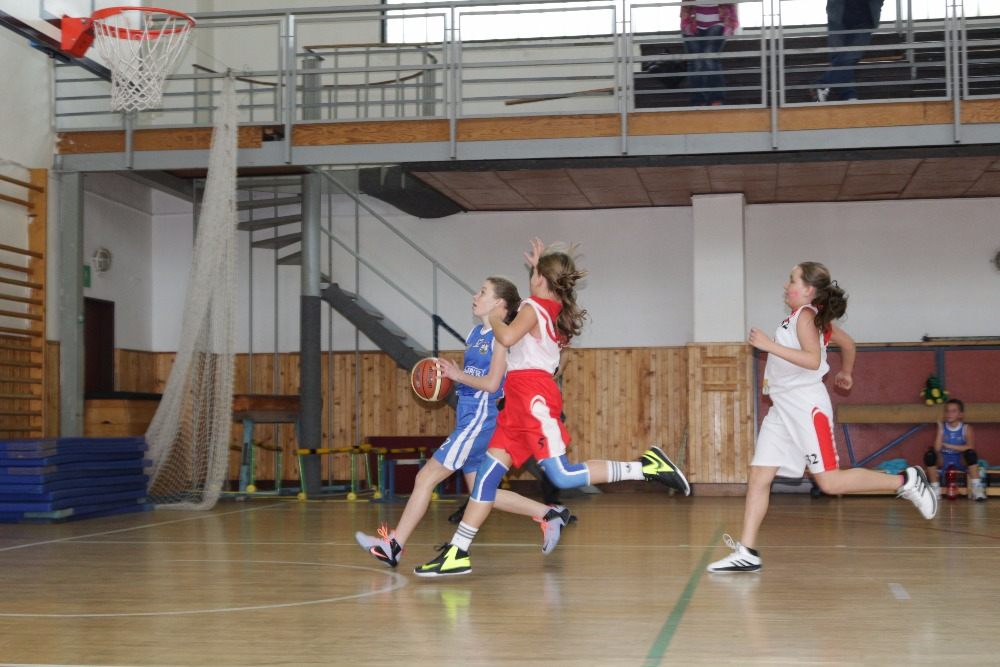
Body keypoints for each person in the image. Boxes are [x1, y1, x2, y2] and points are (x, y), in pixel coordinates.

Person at [414, 238, 690, 577]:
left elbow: (507, 337)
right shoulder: (549, 307)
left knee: (562, 474)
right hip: (515, 404)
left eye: (534, 274)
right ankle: (457, 552)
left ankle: (646, 467)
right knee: (485, 479)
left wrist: (495, 316)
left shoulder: (533, 306)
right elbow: (538, 314)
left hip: (533, 398)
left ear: (541, 280)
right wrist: (538, 268)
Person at [708, 262, 937, 573]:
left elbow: (813, 360)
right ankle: (747, 551)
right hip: (782, 407)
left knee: (829, 482)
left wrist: (768, 345)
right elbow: (848, 345)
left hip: (805, 407)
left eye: (792, 280)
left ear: (808, 290)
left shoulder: (806, 316)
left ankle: (907, 480)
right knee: (759, 476)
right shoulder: (812, 319)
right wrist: (846, 372)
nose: (786, 285)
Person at [355, 276, 572, 568]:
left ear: (499, 303)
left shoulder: (501, 337)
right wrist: (451, 380)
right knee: (482, 491)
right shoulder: (475, 333)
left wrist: (457, 376)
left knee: (425, 478)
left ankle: (393, 546)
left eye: (483, 292)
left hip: (482, 418)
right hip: (469, 416)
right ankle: (550, 514)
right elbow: (475, 377)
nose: (475, 295)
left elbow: (493, 384)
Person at [813, 0, 885, 102]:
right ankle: (848, 95)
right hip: (838, 16)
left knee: (850, 57)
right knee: (840, 57)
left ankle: (823, 84)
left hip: (866, 18)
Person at [924, 398, 987, 501]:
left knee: (971, 454)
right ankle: (935, 490)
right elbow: (937, 448)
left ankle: (977, 489)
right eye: (947, 411)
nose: (949, 414)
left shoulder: (966, 428)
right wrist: (940, 429)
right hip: (943, 459)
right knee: (930, 455)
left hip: (960, 459)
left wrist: (949, 446)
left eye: (953, 411)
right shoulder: (942, 427)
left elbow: (970, 447)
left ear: (960, 415)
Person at [680, 1, 739, 106]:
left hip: (718, 23)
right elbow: (686, 6)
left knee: (710, 58)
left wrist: (730, 24)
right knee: (696, 62)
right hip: (691, 24)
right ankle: (698, 100)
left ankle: (716, 98)